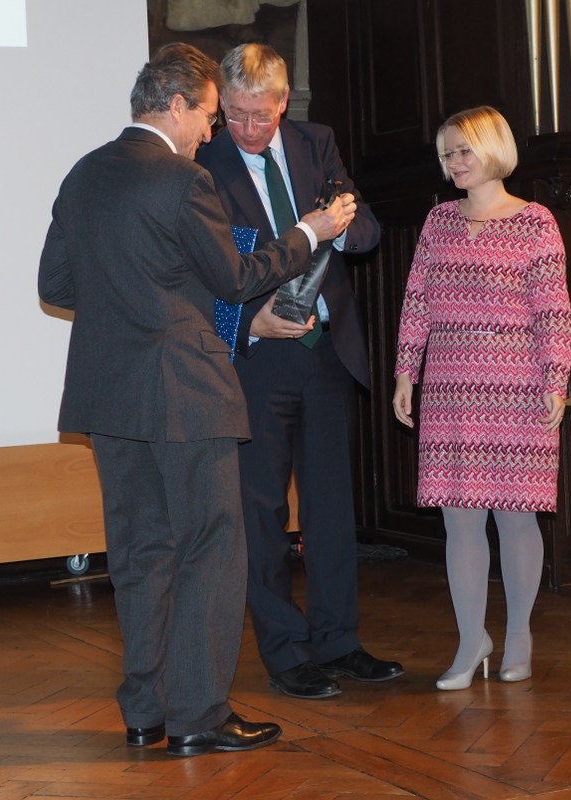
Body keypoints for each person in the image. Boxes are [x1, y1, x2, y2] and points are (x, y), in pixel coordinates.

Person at [38, 42, 349, 756]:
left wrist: (136, 299)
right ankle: (198, 717)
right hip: (187, 393)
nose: (208, 132)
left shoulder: (83, 175)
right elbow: (238, 278)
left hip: (108, 399)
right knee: (211, 550)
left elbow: (56, 287)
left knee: (142, 554)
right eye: (207, 115)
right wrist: (310, 231)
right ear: (175, 105)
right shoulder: (182, 180)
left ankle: (145, 712)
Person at [196, 43, 404, 699]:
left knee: (332, 510)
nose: (248, 129)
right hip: (255, 359)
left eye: (260, 114)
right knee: (260, 515)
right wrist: (250, 319)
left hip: (326, 355)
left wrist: (335, 228)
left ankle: (338, 641)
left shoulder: (318, 143)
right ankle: (286, 651)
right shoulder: (202, 159)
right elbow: (200, 266)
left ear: (283, 101)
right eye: (234, 114)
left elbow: (366, 233)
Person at [392, 106, 571, 690]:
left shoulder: (536, 222)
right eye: (447, 154)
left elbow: (554, 310)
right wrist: (405, 374)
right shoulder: (439, 221)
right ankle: (472, 639)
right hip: (448, 390)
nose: (454, 163)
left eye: (464, 150)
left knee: (517, 518)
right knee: (459, 521)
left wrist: (556, 379)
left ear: (493, 149)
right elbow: (417, 301)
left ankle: (518, 633)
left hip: (517, 390)